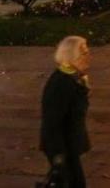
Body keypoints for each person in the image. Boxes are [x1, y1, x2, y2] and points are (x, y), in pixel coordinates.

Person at [41, 36, 92, 188]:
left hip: (69, 146)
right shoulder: (61, 84)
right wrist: (58, 156)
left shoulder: (73, 77)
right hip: (62, 149)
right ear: (71, 56)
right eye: (84, 53)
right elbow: (52, 123)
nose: (88, 57)